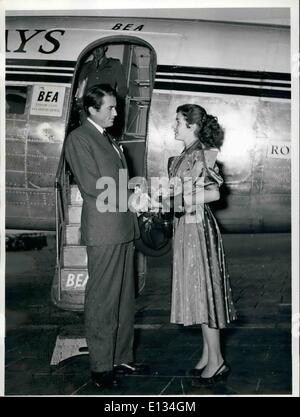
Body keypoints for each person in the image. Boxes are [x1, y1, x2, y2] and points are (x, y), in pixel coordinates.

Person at [64, 84, 145, 390]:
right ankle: (100, 365)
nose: (116, 112)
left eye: (115, 106)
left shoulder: (107, 138)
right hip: (105, 230)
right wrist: (130, 198)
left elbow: (116, 180)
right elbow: (92, 185)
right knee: (102, 299)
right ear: (91, 109)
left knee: (124, 298)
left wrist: (135, 192)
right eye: (110, 107)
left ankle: (121, 357)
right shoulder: (80, 139)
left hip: (122, 227)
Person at [167, 104, 237, 386]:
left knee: (205, 292)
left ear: (191, 126)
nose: (173, 126)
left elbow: (214, 193)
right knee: (198, 291)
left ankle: (217, 360)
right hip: (186, 227)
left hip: (197, 229)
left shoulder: (201, 153)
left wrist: (179, 201)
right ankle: (209, 354)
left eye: (177, 121)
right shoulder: (185, 155)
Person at [75, 45, 127, 135]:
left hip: (106, 110)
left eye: (100, 48)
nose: (97, 51)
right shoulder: (85, 67)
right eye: (94, 49)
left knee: (103, 137)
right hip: (88, 110)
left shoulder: (115, 64)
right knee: (87, 136)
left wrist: (112, 106)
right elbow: (80, 89)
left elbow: (123, 89)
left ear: (105, 48)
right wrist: (81, 106)